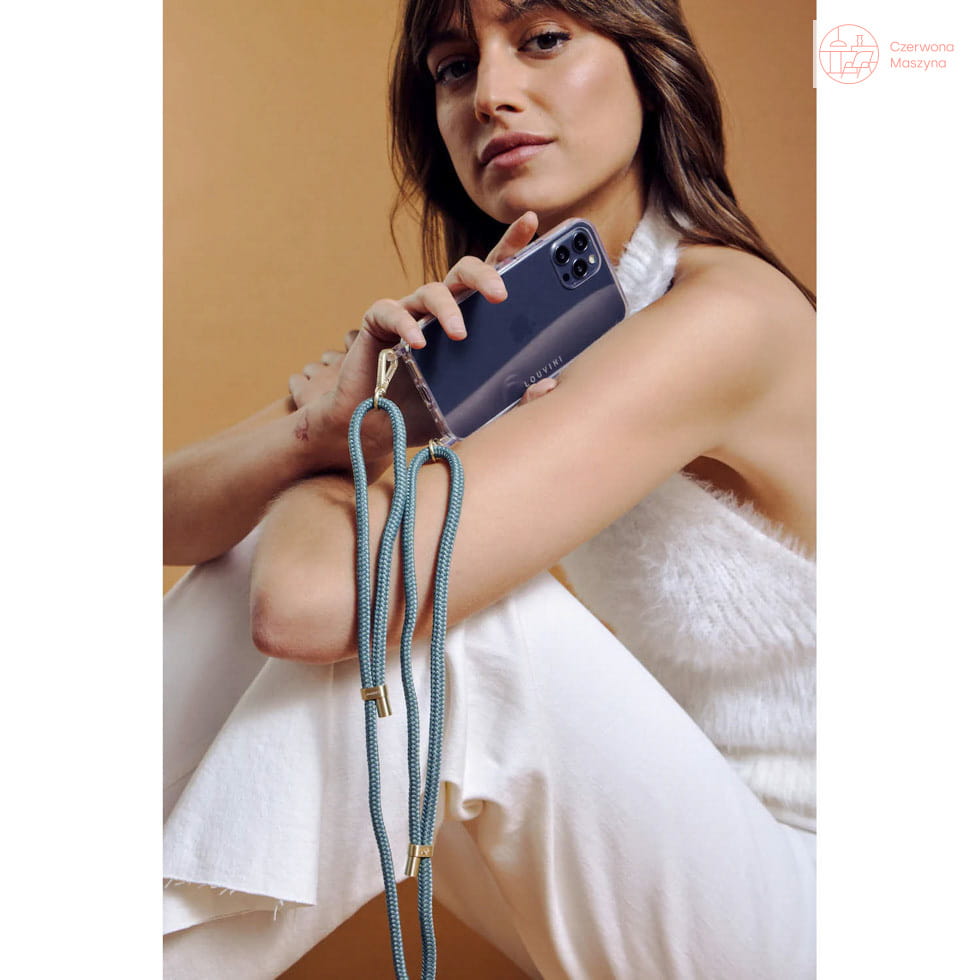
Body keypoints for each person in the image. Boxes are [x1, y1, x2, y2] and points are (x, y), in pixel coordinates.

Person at [163, 0, 816, 976]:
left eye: (542, 40)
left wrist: (369, 437)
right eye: (454, 67)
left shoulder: (726, 314)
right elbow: (165, 517)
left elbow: (308, 607)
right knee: (291, 547)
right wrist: (315, 434)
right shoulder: (529, 310)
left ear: (648, 63)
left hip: (819, 904)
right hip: (665, 849)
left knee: (453, 632)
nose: (490, 95)